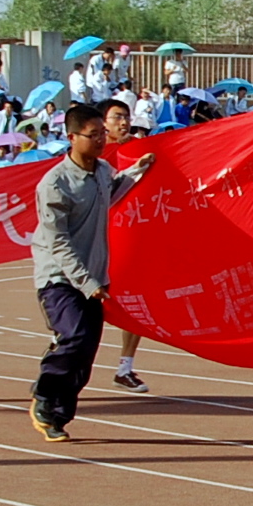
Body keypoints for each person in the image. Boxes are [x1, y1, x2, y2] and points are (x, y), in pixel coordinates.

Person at [28, 104, 155, 442]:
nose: (101, 140)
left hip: (94, 277)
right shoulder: (55, 184)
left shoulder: (101, 171)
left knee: (86, 353)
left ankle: (57, 416)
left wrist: (138, 171)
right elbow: (58, 242)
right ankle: (44, 395)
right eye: (93, 134)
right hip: (60, 278)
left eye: (103, 133)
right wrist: (86, 282)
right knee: (75, 337)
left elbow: (110, 192)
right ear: (72, 137)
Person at [100, 99, 151, 393]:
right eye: (117, 117)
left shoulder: (138, 149)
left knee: (134, 302)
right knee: (82, 307)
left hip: (131, 236)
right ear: (102, 122)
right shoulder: (90, 154)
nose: (123, 122)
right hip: (97, 240)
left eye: (126, 117)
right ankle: (57, 364)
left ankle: (125, 368)